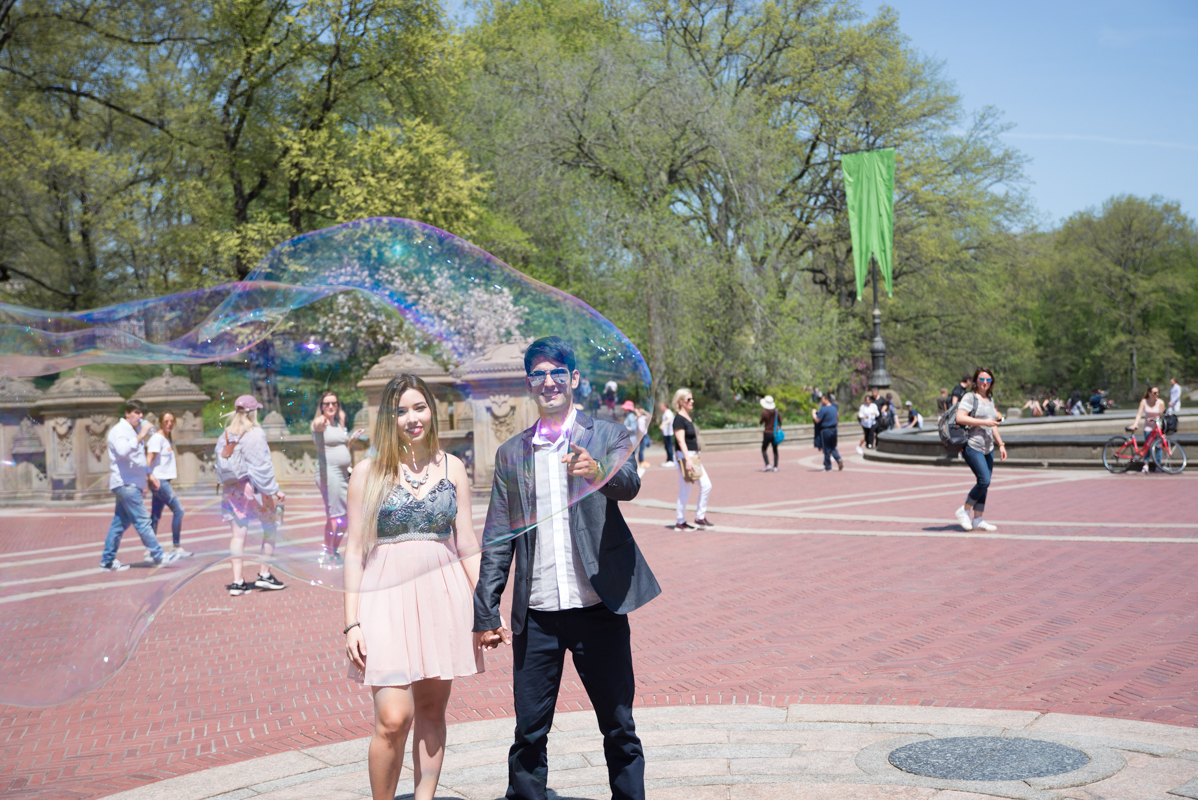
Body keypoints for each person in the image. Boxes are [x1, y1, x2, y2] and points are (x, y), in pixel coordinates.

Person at [473, 336, 660, 800]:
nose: (549, 381)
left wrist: (597, 470)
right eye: (539, 373)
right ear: (529, 384)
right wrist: (486, 609)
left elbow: (629, 485)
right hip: (537, 616)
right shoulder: (512, 454)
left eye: (559, 372)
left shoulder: (606, 434)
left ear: (574, 379)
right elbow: (498, 536)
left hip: (599, 607)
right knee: (529, 734)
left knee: (619, 727)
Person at [343, 374, 483, 800]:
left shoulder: (453, 467)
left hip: (444, 595)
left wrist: (487, 608)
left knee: (430, 709)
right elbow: (353, 551)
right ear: (388, 418)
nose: (411, 418)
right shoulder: (367, 473)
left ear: (431, 411)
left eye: (418, 407)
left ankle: (425, 797)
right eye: (401, 410)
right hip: (384, 596)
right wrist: (351, 624)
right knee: (392, 717)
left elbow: (467, 542)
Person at [215, 395, 286, 596]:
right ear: (254, 412)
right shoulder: (255, 434)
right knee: (270, 528)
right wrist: (274, 490)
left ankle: (237, 582)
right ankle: (264, 574)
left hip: (232, 490)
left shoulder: (227, 434)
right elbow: (262, 467)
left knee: (237, 537)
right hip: (254, 491)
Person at [101, 399, 182, 571]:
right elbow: (123, 451)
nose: (140, 416)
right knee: (143, 521)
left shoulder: (135, 430)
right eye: (137, 412)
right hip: (125, 483)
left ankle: (107, 561)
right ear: (127, 413)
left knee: (119, 522)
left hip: (133, 482)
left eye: (141, 413)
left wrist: (148, 476)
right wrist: (141, 435)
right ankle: (158, 555)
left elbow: (138, 458)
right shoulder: (119, 431)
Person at [312, 391, 365, 567]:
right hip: (329, 473)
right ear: (321, 406)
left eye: (334, 403)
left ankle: (333, 550)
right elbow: (317, 426)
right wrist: (321, 421)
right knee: (335, 516)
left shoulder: (336, 423)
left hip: (342, 474)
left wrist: (350, 439)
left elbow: (341, 447)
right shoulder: (320, 423)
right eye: (326, 404)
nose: (330, 406)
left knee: (346, 516)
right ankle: (328, 554)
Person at [953, 368, 1007, 532]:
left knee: (984, 484)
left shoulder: (989, 400)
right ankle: (964, 510)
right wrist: (982, 422)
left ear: (992, 383)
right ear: (976, 381)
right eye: (982, 379)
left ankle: (978, 519)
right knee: (984, 480)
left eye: (988, 380)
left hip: (988, 447)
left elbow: (993, 425)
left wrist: (1001, 444)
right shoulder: (970, 397)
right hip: (972, 445)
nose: (985, 383)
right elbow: (960, 417)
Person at [147, 411, 190, 557]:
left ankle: (150, 550)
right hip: (159, 481)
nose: (169, 424)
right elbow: (148, 459)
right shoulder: (157, 438)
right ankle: (176, 546)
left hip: (162, 480)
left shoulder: (166, 438)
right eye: (166, 421)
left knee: (155, 516)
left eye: (172, 421)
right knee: (179, 510)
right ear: (160, 422)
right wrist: (149, 477)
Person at [672, 387, 713, 529]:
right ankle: (680, 521)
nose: (692, 401)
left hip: (693, 456)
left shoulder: (687, 417)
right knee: (686, 488)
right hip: (686, 456)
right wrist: (688, 459)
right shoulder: (678, 419)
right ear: (680, 401)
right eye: (688, 399)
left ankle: (699, 517)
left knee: (705, 485)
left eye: (692, 398)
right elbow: (680, 441)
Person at [1129, 385, 1166, 474]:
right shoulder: (1144, 402)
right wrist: (1135, 424)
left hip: (1157, 428)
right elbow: (1139, 414)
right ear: (1149, 393)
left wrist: (1155, 418)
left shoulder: (1160, 402)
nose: (1157, 394)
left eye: (1158, 392)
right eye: (1154, 393)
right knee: (1147, 446)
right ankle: (1146, 464)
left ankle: (1158, 464)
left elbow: (1162, 414)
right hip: (1148, 427)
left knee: (1158, 446)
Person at [812, 393, 842, 471]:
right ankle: (838, 459)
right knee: (833, 447)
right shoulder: (834, 408)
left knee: (826, 448)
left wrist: (813, 413)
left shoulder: (823, 409)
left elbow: (817, 420)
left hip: (825, 430)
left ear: (826, 399)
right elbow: (837, 416)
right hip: (833, 429)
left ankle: (828, 466)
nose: (822, 401)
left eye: (822, 399)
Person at [759, 395, 781, 471]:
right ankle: (775, 466)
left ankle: (767, 464)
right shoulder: (776, 411)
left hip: (767, 433)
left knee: (764, 449)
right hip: (774, 433)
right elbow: (780, 422)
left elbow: (761, 422)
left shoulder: (764, 412)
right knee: (775, 450)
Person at [658, 401, 676, 467]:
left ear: (665, 406)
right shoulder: (666, 412)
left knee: (669, 446)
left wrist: (663, 424)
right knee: (667, 446)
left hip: (669, 433)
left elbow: (669, 419)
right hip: (666, 433)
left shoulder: (668, 412)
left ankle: (671, 460)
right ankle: (668, 460)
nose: (660, 407)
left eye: (661, 406)